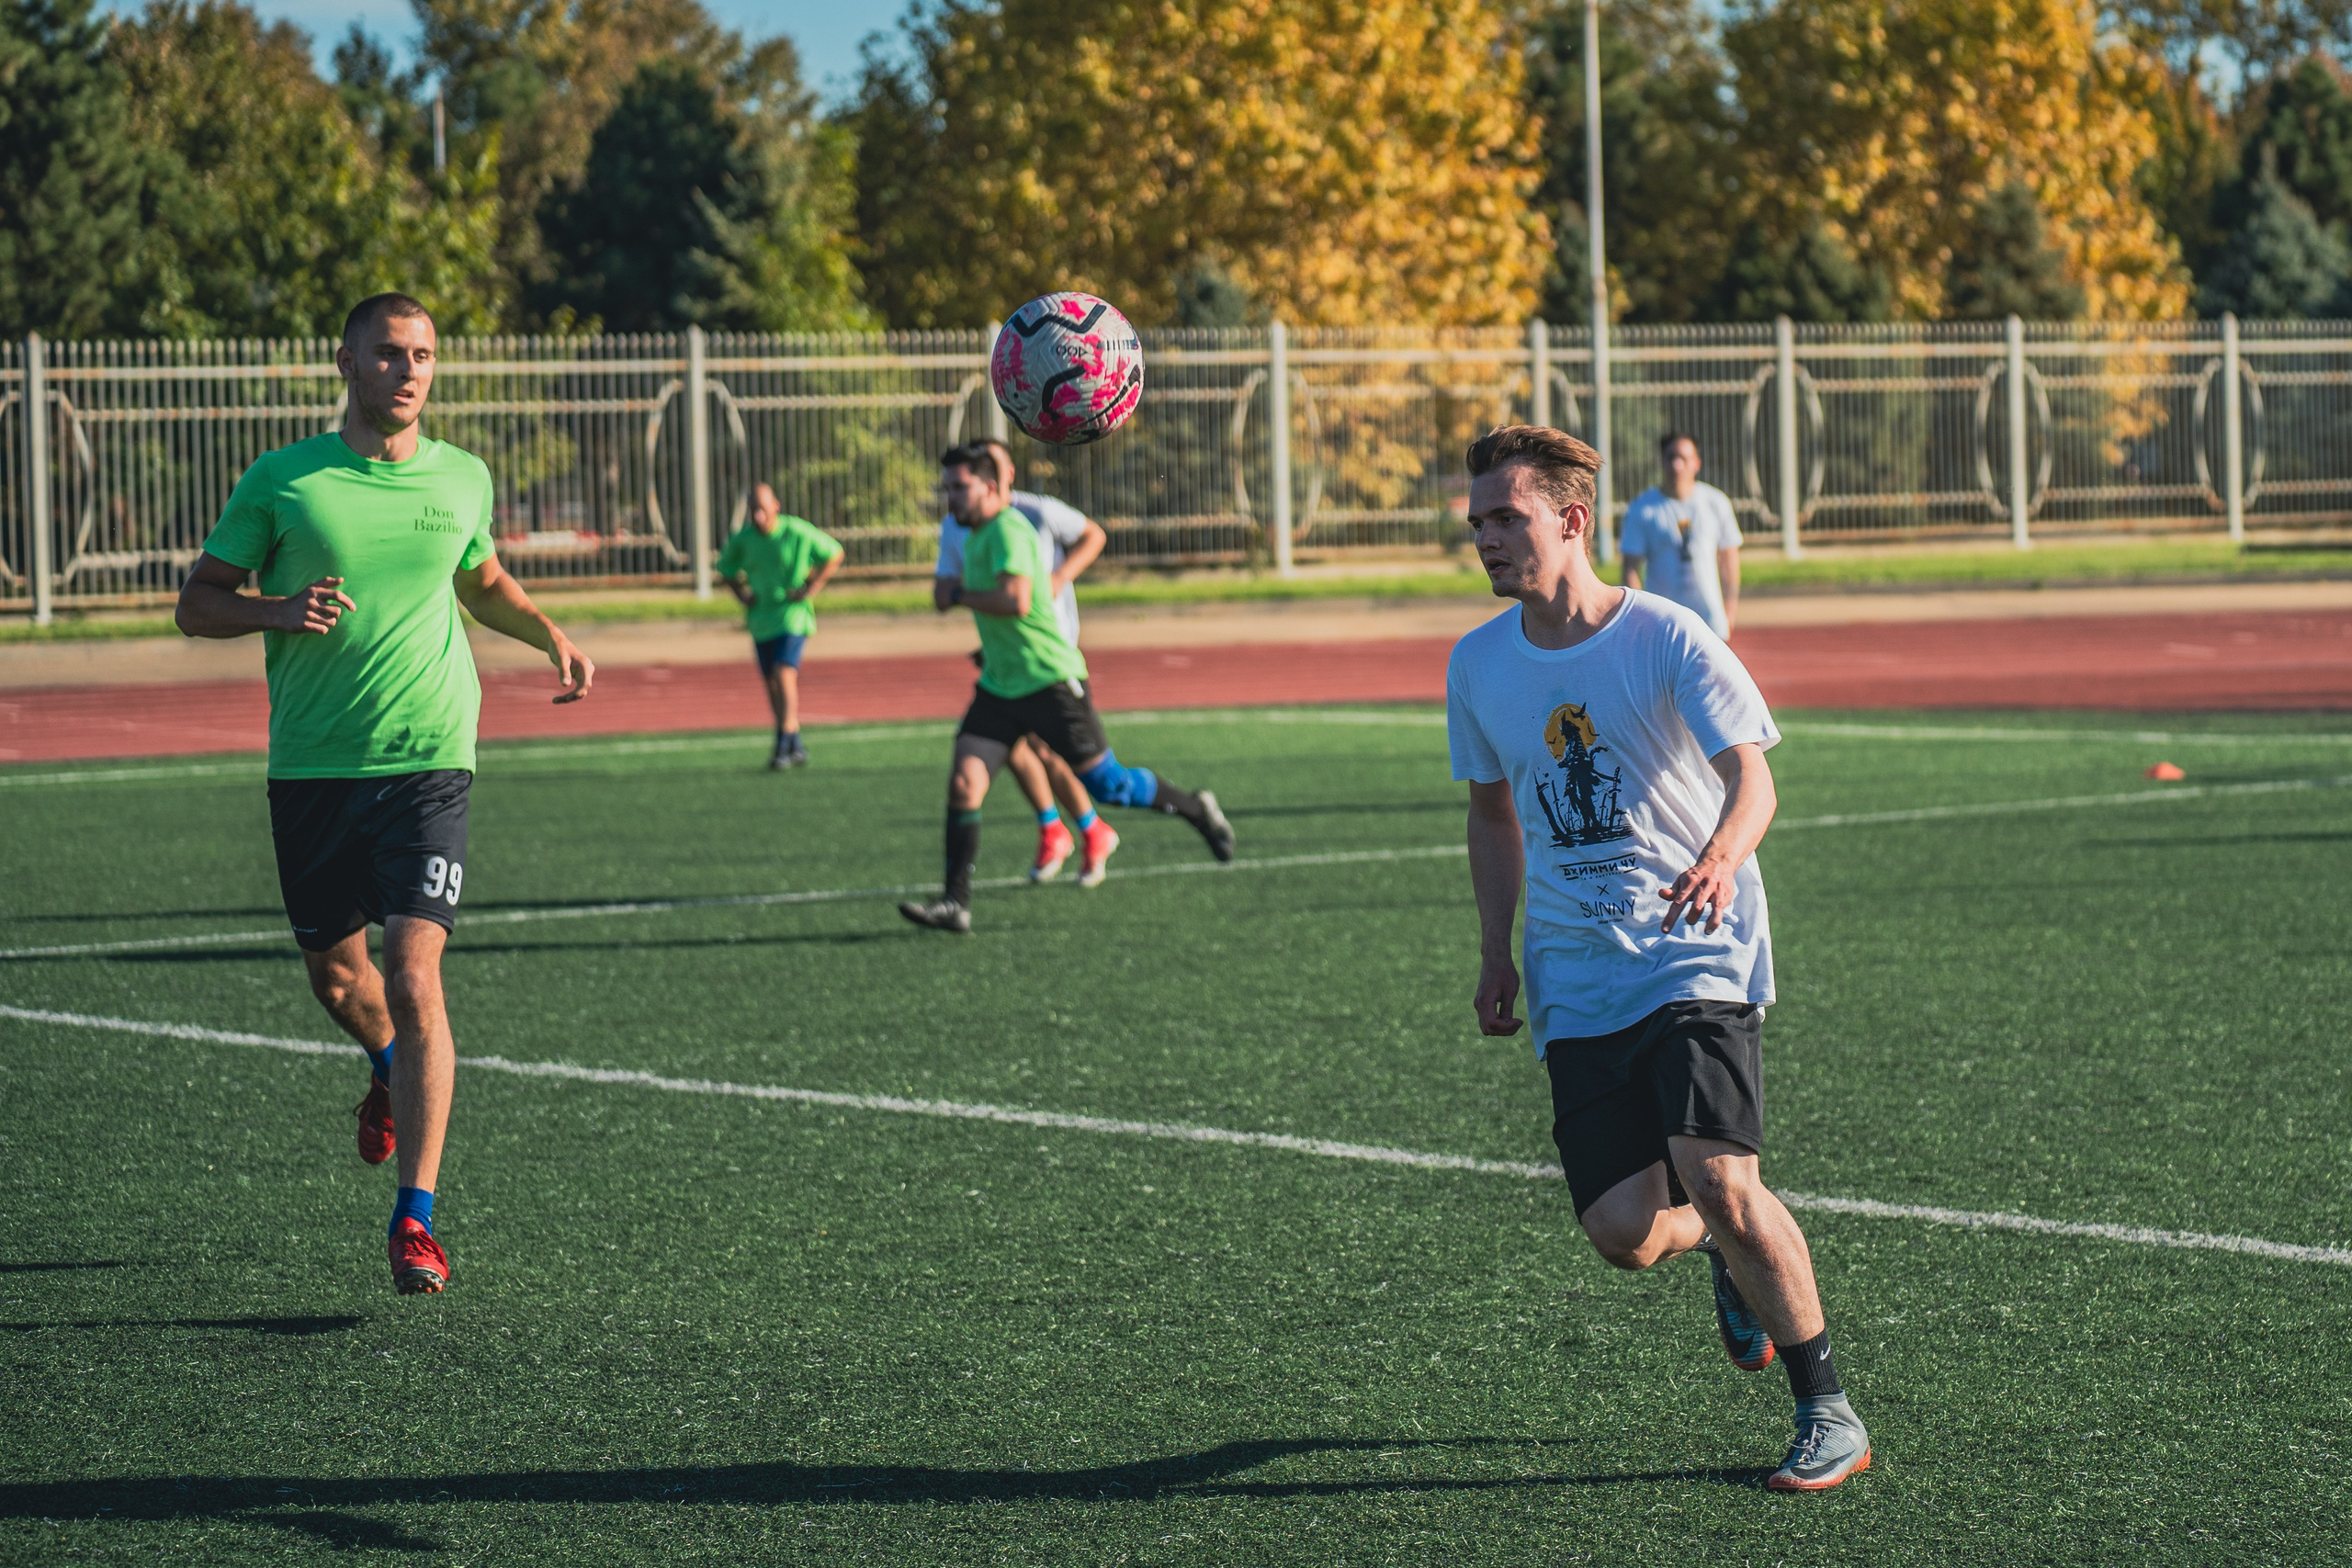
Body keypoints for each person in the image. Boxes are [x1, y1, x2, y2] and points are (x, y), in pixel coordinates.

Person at [1445, 424, 1870, 1491]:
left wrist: (1724, 855)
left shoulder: (1667, 636)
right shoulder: (1477, 662)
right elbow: (1492, 816)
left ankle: (1828, 1409)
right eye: (1479, 522)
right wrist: (1494, 950)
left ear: (1571, 519)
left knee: (1722, 1178)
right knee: (1625, 1235)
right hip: (1575, 973)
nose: (1488, 539)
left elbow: (1756, 778)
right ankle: (1728, 1263)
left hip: (1693, 948)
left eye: (1508, 517)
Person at [175, 292, 595, 1297]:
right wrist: (275, 607)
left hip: (430, 757)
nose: (408, 371)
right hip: (315, 767)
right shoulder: (286, 482)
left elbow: (479, 577)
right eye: (388, 354)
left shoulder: (463, 477)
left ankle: (416, 1220)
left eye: (424, 356)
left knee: (415, 975)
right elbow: (196, 601)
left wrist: (549, 632)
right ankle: (382, 1070)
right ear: (345, 361)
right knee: (340, 983)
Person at [899, 444, 1235, 932]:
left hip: (1049, 682)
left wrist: (960, 594)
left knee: (1110, 785)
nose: (949, 496)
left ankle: (1195, 808)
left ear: (990, 487)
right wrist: (956, 598)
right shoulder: (969, 532)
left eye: (959, 486)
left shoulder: (1011, 528)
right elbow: (943, 596)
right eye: (946, 487)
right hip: (1000, 686)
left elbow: (1015, 600)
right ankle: (955, 902)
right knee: (964, 784)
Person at [932, 439, 1115, 884]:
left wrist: (1058, 577)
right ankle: (1057, 826)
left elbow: (1094, 535)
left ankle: (1088, 828)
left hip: (1048, 646)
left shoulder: (1035, 513)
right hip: (1002, 650)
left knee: (1046, 751)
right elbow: (948, 584)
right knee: (1013, 749)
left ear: (1002, 474)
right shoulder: (961, 523)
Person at [717, 482, 843, 769]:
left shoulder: (796, 531)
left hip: (792, 616)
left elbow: (834, 553)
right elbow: (725, 568)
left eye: (762, 509)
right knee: (771, 683)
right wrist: (741, 594)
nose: (758, 517)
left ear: (776, 506)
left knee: (784, 673)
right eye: (753, 511)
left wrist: (811, 586)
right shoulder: (744, 539)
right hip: (761, 619)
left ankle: (783, 741)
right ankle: (795, 743)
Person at [1619, 431, 1743, 640]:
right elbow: (1630, 567)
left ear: (1696, 463)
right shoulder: (1642, 509)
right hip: (1662, 622)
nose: (1677, 465)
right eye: (1671, 458)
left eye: (1683, 458)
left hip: (1709, 619)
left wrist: (1729, 611)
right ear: (1661, 462)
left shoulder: (1715, 502)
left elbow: (1729, 560)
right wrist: (1639, 619)